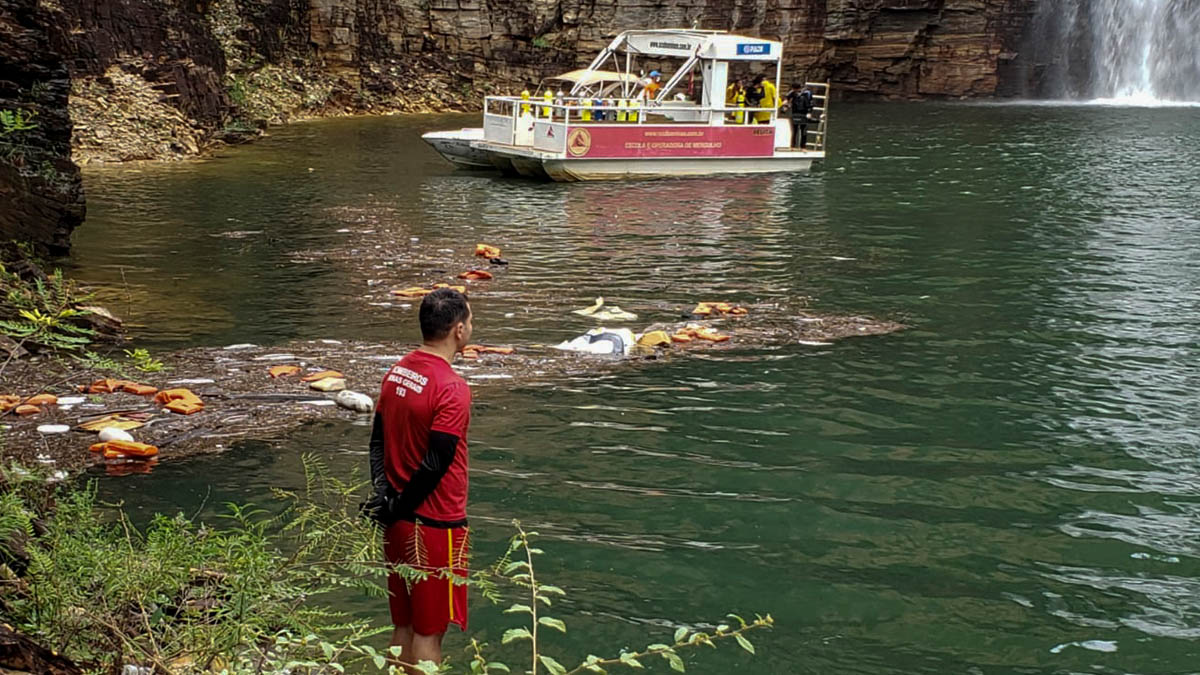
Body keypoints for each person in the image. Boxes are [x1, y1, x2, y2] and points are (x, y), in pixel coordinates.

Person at [365, 287, 474, 673]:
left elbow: (377, 439)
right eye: (471, 321)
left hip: (396, 521)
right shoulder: (452, 387)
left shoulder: (397, 372)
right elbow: (438, 460)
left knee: (404, 624)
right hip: (435, 526)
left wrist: (385, 496)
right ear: (458, 330)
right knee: (430, 631)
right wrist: (400, 503)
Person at [784, 82, 815, 149]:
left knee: (803, 130)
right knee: (794, 130)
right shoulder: (792, 92)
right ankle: (793, 146)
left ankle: (803, 146)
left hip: (804, 113)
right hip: (795, 112)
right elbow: (787, 98)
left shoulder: (807, 93)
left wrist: (809, 112)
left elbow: (811, 103)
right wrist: (786, 104)